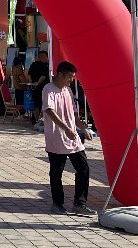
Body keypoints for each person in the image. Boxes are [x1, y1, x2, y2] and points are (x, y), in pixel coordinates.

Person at [43, 61, 95, 215]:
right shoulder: (48, 89)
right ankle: (57, 203)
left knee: (83, 168)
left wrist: (83, 129)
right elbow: (49, 111)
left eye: (73, 77)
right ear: (60, 74)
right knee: (56, 172)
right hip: (56, 137)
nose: (71, 80)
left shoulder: (68, 91)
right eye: (70, 77)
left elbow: (73, 114)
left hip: (73, 138)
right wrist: (65, 128)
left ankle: (80, 203)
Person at [29, 50, 50, 124]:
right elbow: (43, 76)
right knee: (42, 104)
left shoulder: (33, 64)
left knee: (36, 105)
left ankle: (37, 121)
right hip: (43, 88)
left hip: (35, 88)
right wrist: (37, 83)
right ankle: (40, 121)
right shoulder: (45, 66)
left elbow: (29, 75)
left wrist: (32, 83)